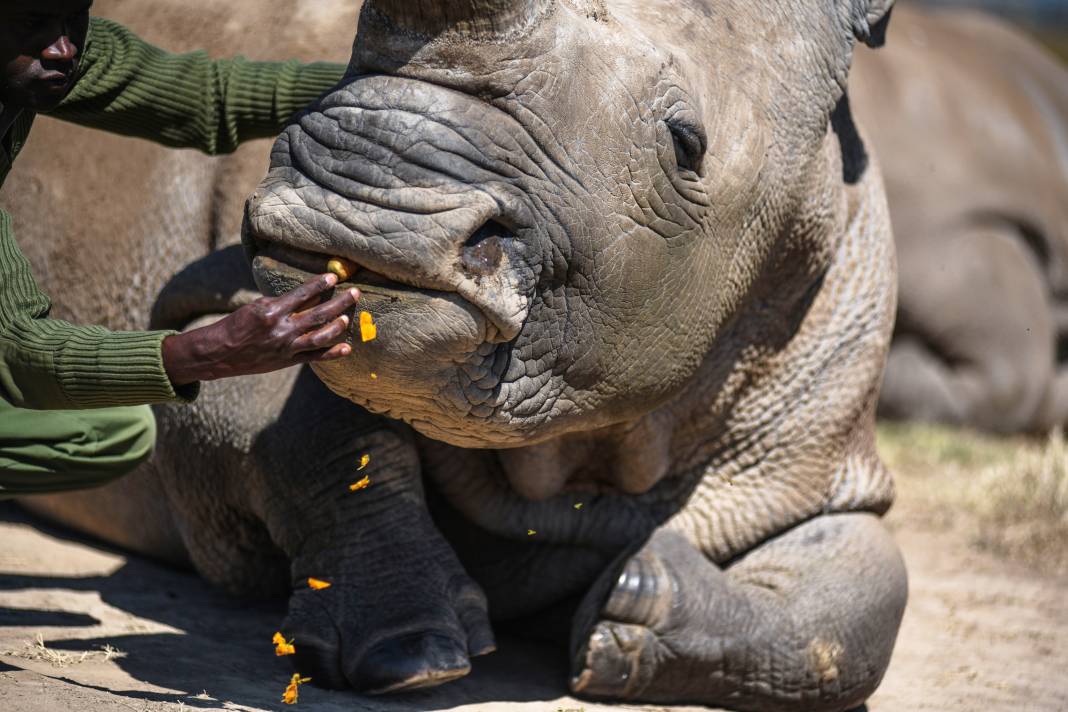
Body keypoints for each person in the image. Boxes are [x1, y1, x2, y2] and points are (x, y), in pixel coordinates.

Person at [0, 1, 353, 497]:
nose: (63, 48)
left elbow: (207, 97)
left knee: (111, 432)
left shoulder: (47, 52)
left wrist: (387, 90)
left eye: (74, 16)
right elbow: (20, 352)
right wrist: (211, 350)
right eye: (33, 22)